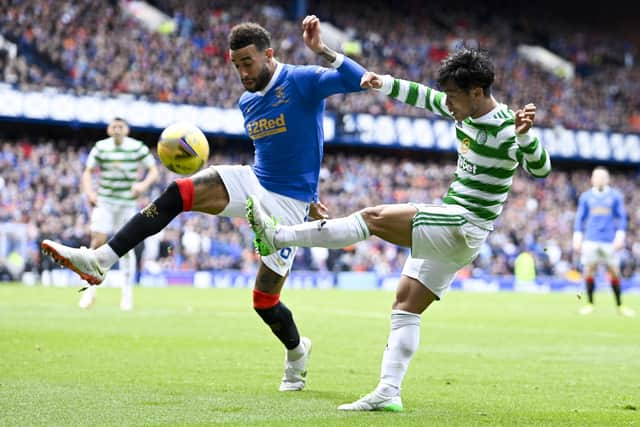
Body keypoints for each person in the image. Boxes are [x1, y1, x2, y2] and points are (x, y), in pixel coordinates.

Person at [41, 16, 366, 391]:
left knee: (264, 302)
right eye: (236, 65)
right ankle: (100, 260)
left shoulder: (302, 80)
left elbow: (354, 79)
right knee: (178, 193)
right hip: (255, 182)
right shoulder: (247, 102)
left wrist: (322, 50)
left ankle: (297, 352)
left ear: (268, 55)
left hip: (289, 204)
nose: (243, 72)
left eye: (248, 62)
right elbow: (273, 151)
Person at [247, 48, 552, 411]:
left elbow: (541, 168)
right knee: (406, 305)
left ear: (476, 92)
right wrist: (383, 83)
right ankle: (389, 392)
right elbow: (424, 97)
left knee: (373, 218)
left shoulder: (506, 127)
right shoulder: (463, 108)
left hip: (464, 223)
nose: (448, 104)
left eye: (454, 97)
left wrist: (525, 137)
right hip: (457, 223)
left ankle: (281, 235)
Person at [79, 117, 159, 311]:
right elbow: (87, 172)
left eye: (120, 126)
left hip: (126, 204)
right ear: (108, 129)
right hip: (105, 202)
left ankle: (126, 294)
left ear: (127, 130)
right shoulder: (100, 147)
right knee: (97, 242)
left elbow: (153, 171)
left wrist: (142, 185)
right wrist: (89, 192)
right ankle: (89, 291)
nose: (116, 130)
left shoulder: (137, 148)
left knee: (126, 248)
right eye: (113, 126)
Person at [572, 167, 635, 317]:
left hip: (609, 240)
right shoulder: (586, 197)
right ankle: (590, 304)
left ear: (607, 179)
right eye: (596, 177)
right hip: (591, 239)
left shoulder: (615, 196)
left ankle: (620, 305)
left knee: (614, 272)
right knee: (589, 270)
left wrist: (620, 235)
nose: (599, 179)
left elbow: (622, 217)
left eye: (602, 177)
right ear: (592, 179)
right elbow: (580, 218)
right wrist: (577, 236)